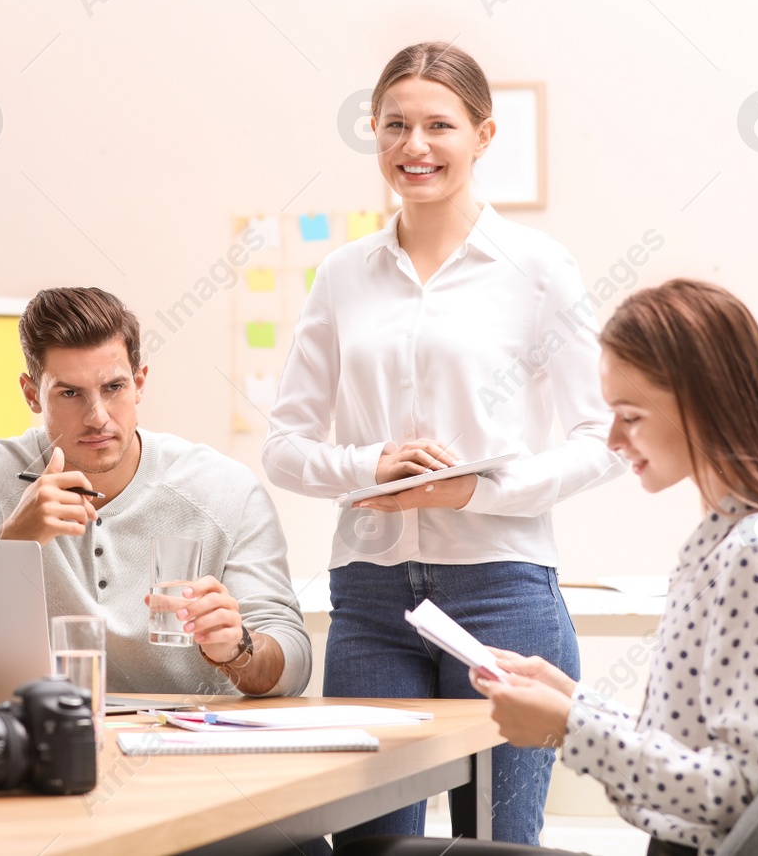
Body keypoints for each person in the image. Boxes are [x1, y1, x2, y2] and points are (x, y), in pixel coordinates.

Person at [338, 280, 758, 856]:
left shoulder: (756, 557)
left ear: (702, 403)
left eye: (630, 415)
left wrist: (570, 728)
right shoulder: (738, 540)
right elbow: (695, 746)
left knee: (372, 852)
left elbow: (738, 792)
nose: (614, 439)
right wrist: (572, 699)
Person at [261, 42, 624, 844]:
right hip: (370, 600)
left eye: (438, 125)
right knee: (371, 845)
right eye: (394, 125)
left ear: (484, 135)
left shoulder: (537, 268)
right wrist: (368, 464)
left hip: (504, 594)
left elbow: (606, 435)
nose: (413, 146)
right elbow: (284, 446)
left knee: (496, 846)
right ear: (374, 133)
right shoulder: (343, 275)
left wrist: (479, 490)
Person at [0, 286, 310, 698]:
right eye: (70, 393)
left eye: (113, 388)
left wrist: (237, 648)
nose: (97, 417)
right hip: (39, 740)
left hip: (186, 744)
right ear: (32, 395)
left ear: (139, 384)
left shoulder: (227, 490)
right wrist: (14, 545)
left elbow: (293, 664)